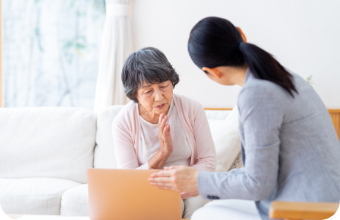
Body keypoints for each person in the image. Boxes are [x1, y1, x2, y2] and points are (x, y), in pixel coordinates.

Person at [148, 17, 340, 220]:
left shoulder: (257, 93)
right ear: (241, 35)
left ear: (213, 73)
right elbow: (260, 175)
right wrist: (203, 181)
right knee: (208, 210)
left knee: (202, 216)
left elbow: (258, 185)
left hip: (308, 209)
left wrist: (198, 182)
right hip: (320, 197)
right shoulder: (282, 75)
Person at [112, 47, 217, 219]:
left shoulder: (192, 108)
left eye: (163, 86)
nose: (159, 97)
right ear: (135, 94)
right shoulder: (123, 122)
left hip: (189, 181)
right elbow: (128, 179)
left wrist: (181, 183)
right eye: (148, 91)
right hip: (149, 186)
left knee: (199, 210)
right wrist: (163, 153)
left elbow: (208, 161)